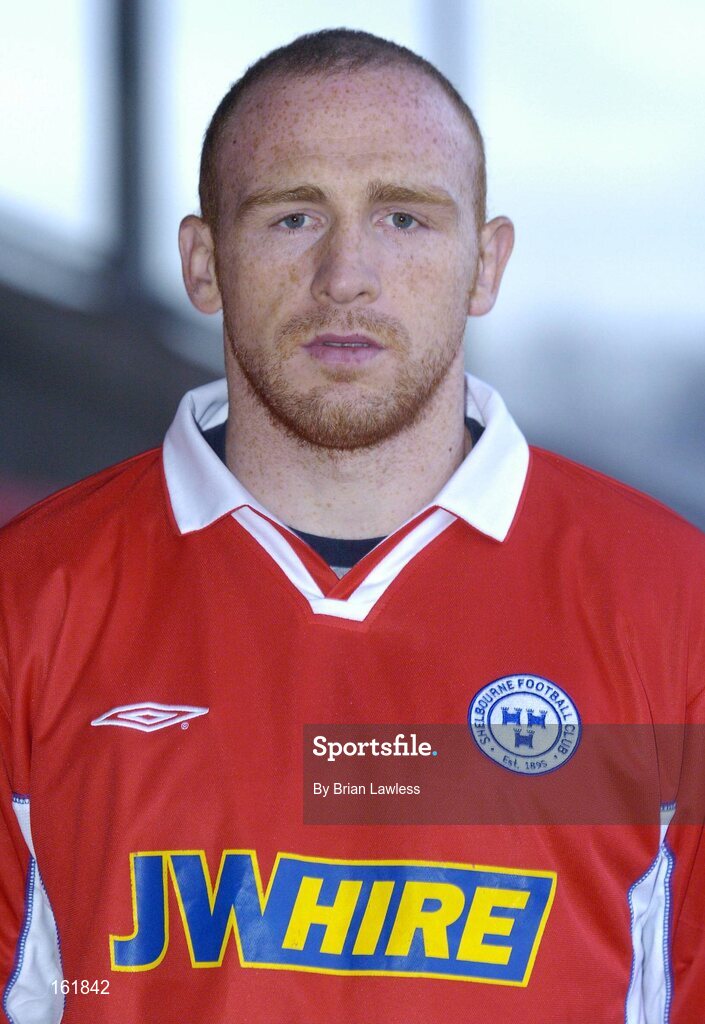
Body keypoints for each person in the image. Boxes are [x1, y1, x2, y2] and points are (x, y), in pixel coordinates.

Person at [1, 27, 703, 1024]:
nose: (345, 275)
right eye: (292, 217)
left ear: (484, 264)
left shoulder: (674, 605)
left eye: (405, 218)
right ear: (203, 263)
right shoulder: (26, 600)